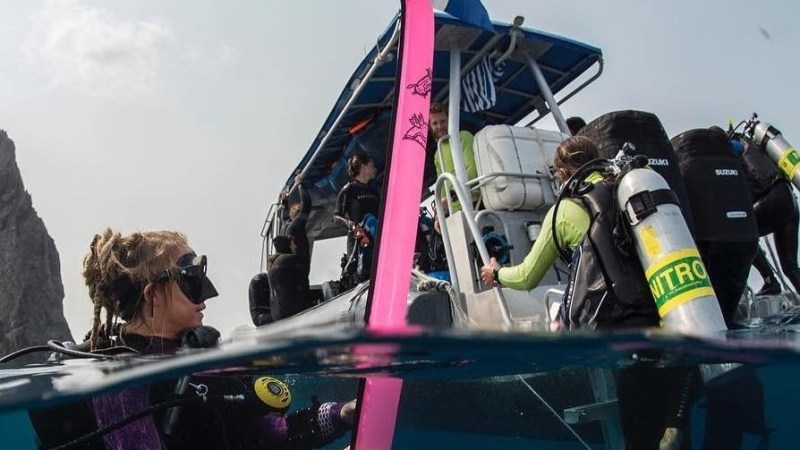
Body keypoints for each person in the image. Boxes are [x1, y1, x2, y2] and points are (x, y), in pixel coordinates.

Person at [479, 136, 692, 450]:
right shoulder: (625, 189)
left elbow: (526, 277)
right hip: (672, 319)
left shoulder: (565, 210)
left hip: (624, 332)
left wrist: (495, 273)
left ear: (563, 172)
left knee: (639, 441)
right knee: (671, 430)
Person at [81, 228, 355, 449]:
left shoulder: (201, 356)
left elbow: (263, 432)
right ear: (152, 295)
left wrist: (339, 414)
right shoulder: (121, 383)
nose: (207, 294)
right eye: (191, 279)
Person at [732, 135, 800, 295]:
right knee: (790, 266)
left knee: (742, 232)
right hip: (789, 200)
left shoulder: (729, 147)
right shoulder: (752, 144)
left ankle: (770, 280)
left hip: (770, 200)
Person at [334, 153, 380, 282]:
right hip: (358, 241)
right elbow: (336, 217)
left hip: (376, 238)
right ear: (363, 167)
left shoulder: (374, 190)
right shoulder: (348, 190)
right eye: (372, 166)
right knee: (361, 275)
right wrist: (351, 224)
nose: (375, 169)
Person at [429, 101, 480, 212]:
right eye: (435, 123)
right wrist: (439, 214)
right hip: (454, 211)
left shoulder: (464, 137)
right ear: (430, 126)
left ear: (449, 120)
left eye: (443, 121)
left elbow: (473, 170)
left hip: (474, 203)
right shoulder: (437, 154)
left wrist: (452, 195)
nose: (439, 126)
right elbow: (442, 185)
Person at [267, 235, 315, 321]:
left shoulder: (271, 265)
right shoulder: (292, 260)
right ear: (287, 245)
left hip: (277, 315)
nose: (295, 246)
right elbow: (304, 286)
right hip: (295, 312)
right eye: (293, 244)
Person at [281, 174, 312, 264]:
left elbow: (285, 216)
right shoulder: (296, 226)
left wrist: (284, 201)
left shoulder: (285, 226)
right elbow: (306, 203)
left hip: (289, 266)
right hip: (298, 267)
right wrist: (300, 185)